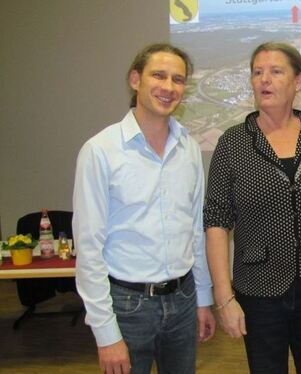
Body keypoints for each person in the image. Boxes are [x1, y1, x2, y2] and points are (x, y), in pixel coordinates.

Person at [204, 41, 301, 374]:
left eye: (275, 71)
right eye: (257, 72)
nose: (264, 80)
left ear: (298, 81)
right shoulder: (232, 143)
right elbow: (216, 221)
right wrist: (224, 297)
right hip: (259, 292)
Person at [73, 43, 215, 374]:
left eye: (178, 79)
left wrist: (203, 300)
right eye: (159, 75)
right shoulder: (100, 152)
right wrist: (106, 334)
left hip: (182, 300)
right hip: (126, 306)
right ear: (135, 79)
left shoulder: (189, 149)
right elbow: (89, 248)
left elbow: (195, 230)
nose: (168, 87)